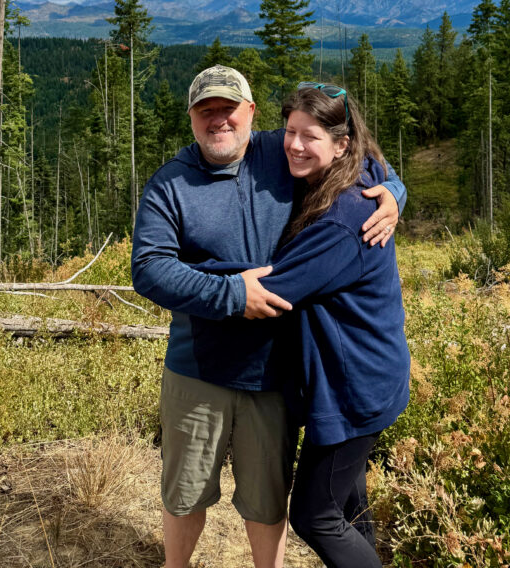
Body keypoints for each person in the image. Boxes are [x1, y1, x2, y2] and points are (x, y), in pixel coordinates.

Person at [131, 66, 406, 568]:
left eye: (228, 108)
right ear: (191, 117)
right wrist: (231, 293)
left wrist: (394, 192)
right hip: (198, 370)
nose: (219, 119)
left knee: (267, 501)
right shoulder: (170, 183)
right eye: (206, 110)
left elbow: (355, 157)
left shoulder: (281, 149)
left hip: (274, 373)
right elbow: (149, 270)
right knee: (185, 494)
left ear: (251, 113)